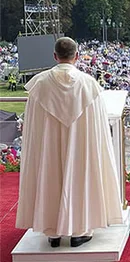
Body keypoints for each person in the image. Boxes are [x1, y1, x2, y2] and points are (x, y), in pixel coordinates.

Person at [16, 37, 123, 248]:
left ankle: (52, 230)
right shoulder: (88, 84)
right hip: (81, 146)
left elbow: (33, 128)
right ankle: (79, 230)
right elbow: (98, 130)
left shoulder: (40, 85)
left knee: (50, 175)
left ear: (55, 56)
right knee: (81, 175)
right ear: (77, 56)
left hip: (49, 148)